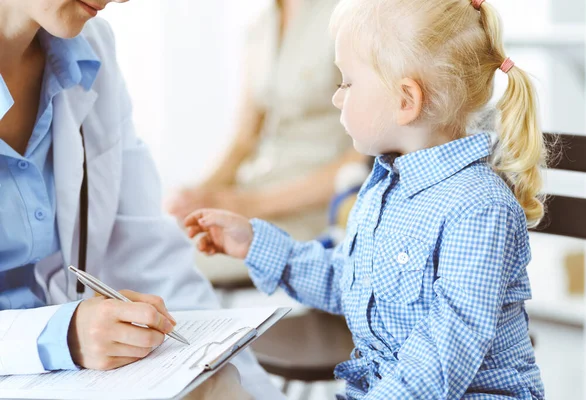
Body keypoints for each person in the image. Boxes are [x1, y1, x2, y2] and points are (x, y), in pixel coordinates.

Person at [184, 0, 547, 398]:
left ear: (406, 100)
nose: (338, 98)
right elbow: (348, 283)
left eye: (347, 82)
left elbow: (441, 362)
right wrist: (254, 243)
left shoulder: (478, 208)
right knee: (216, 386)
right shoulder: (383, 190)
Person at [0, 1, 281, 398]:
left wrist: (243, 381)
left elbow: (149, 256)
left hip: (61, 379)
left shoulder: (89, 52)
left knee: (218, 387)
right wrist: (56, 335)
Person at [165, 0, 363, 284]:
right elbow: (245, 139)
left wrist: (253, 204)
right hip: (256, 195)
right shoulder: (259, 28)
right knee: (155, 244)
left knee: (172, 261)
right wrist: (201, 194)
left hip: (317, 210)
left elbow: (365, 157)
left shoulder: (351, 14)